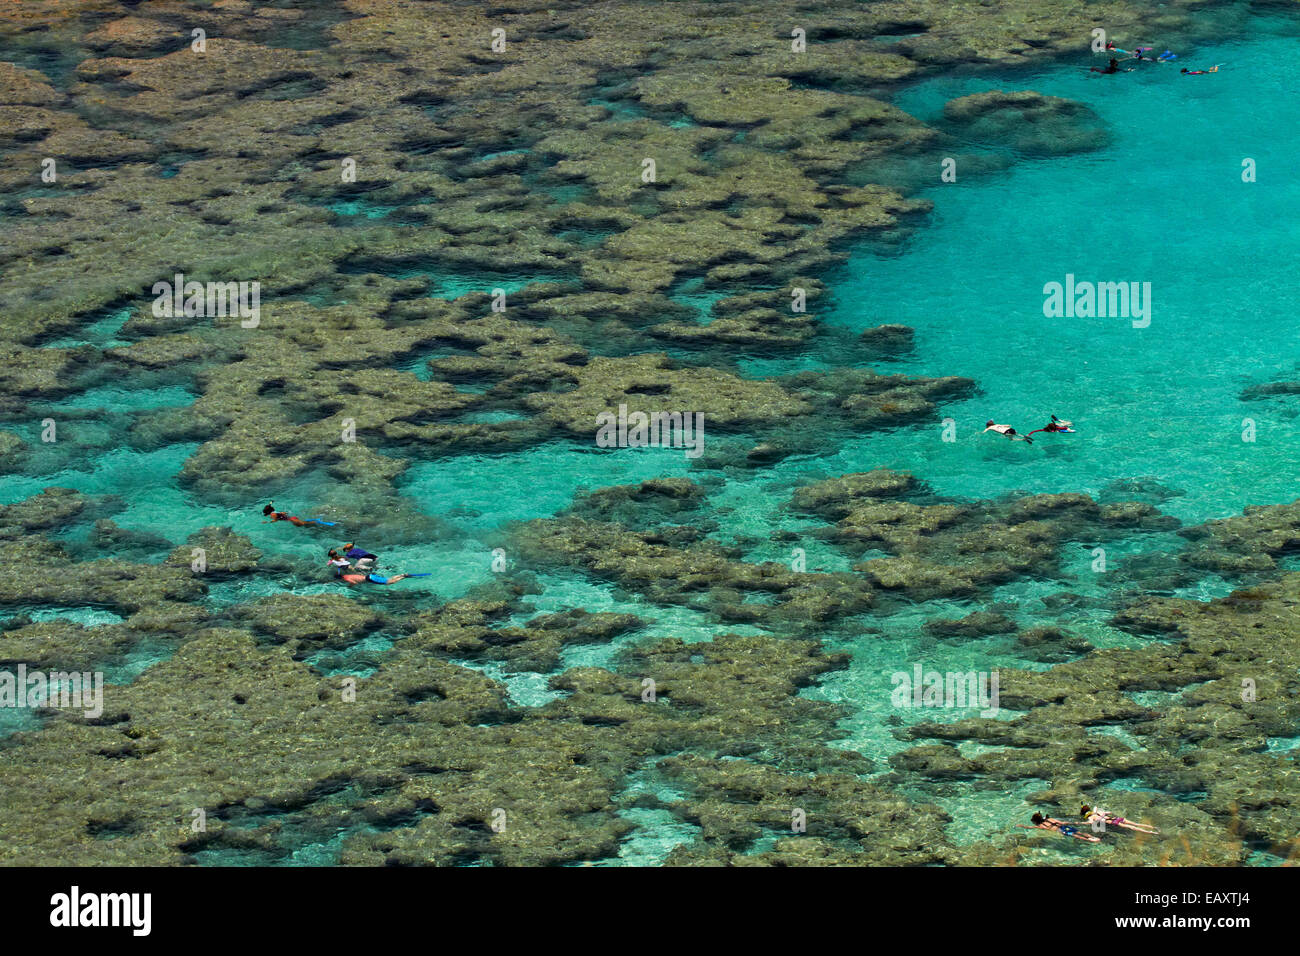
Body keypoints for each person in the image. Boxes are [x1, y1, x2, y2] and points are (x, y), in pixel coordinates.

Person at [1024, 813, 1102, 842]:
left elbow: (1030, 827)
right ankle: (1092, 837)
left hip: (1061, 830)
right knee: (1079, 832)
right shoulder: (1049, 819)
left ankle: (1090, 840)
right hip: (1064, 826)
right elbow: (1060, 822)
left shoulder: (1040, 826)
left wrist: (1021, 826)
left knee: (1075, 835)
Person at [1081, 805, 1160, 834]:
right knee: (1136, 824)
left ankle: (1151, 832)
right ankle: (1154, 828)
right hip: (1117, 818)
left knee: (1133, 828)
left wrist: (1079, 823)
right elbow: (1109, 812)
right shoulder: (1099, 812)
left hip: (1114, 822)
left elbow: (1090, 823)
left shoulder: (1091, 817)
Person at [263, 502, 336, 527]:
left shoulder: (273, 514)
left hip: (292, 520)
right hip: (292, 518)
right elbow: (284, 513)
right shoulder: (276, 512)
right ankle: (318, 520)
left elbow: (275, 520)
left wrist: (267, 522)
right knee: (305, 523)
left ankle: (325, 523)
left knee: (306, 524)